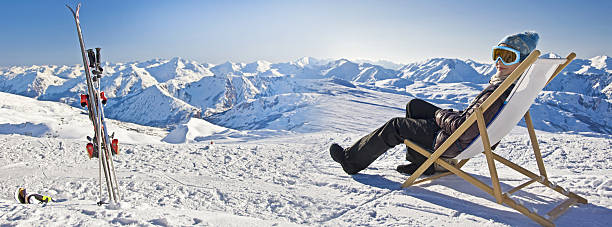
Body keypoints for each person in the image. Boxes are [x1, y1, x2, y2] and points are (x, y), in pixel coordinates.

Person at [330, 31, 540, 175]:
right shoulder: (513, 87)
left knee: (396, 125)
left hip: (453, 141)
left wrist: (441, 115)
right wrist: (451, 114)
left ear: (522, 62)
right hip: (466, 135)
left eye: (508, 57)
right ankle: (423, 163)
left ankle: (351, 161)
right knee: (415, 106)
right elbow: (474, 120)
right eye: (497, 54)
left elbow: (462, 128)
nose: (499, 62)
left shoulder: (498, 92)